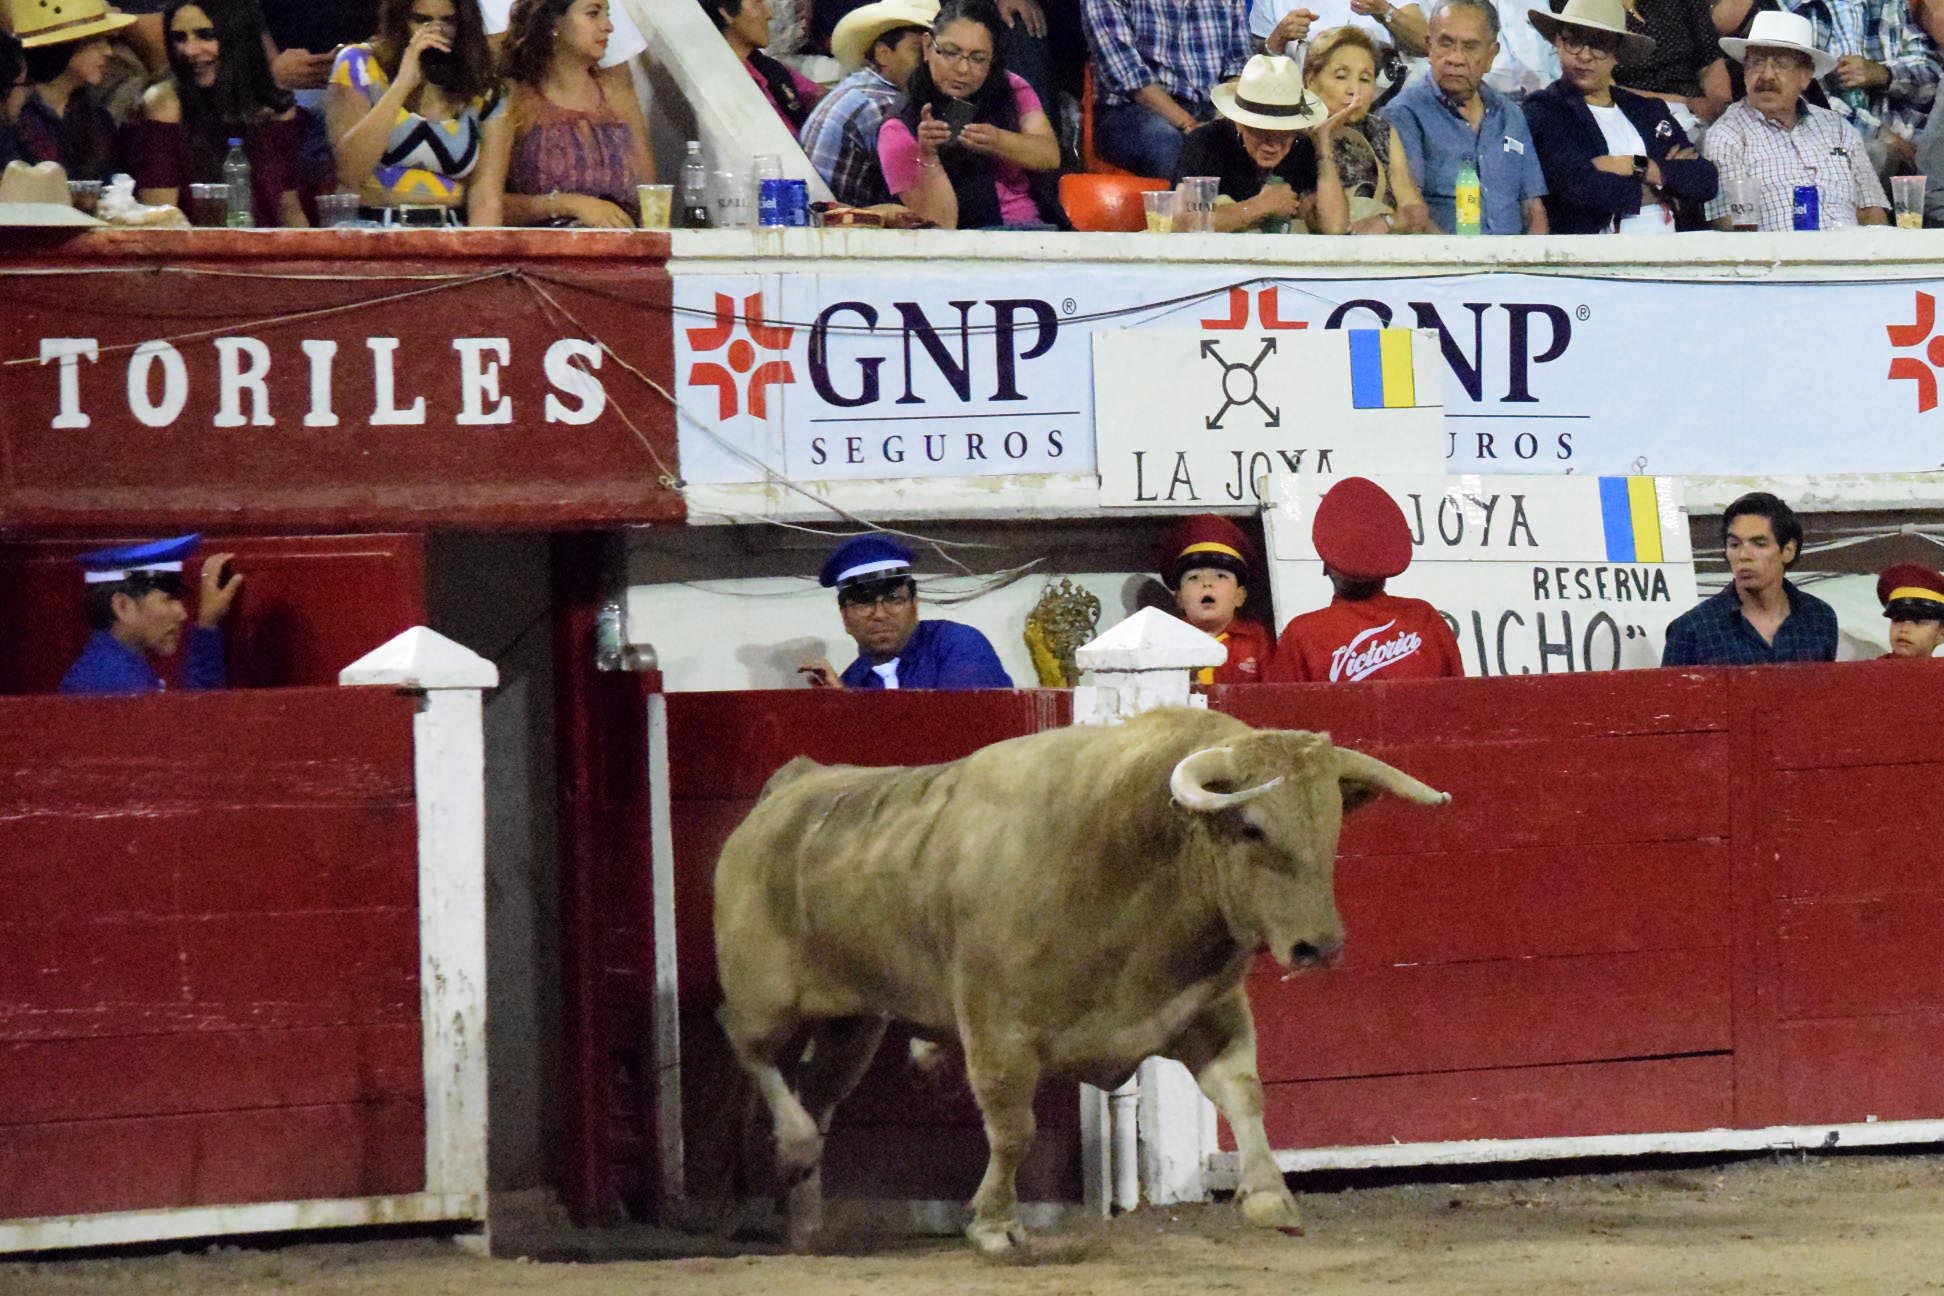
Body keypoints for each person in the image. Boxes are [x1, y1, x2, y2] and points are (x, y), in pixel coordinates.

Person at [1523, 0, 1717, 233]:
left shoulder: (1649, 110)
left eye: (1599, 44)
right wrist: (1663, 184)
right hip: (1593, 260)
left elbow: (1705, 179)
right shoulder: (1545, 109)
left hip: (1670, 257)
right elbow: (1578, 187)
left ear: (1617, 52)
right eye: (1574, 41)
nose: (1585, 56)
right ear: (1558, 42)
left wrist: (1636, 166)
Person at [879, 0, 1062, 229]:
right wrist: (929, 157)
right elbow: (940, 226)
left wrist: (998, 141)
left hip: (1036, 228)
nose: (963, 69)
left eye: (978, 58)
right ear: (927, 47)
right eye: (951, 53)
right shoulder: (899, 126)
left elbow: (1050, 156)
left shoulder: (1011, 87)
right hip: (966, 239)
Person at [128, 0, 310, 228]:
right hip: (192, 254)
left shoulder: (273, 106)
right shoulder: (165, 102)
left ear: (238, 37)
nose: (189, 50)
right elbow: (160, 221)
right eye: (179, 38)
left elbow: (290, 211)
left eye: (206, 35)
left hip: (264, 251)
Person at [472, 0, 654, 228]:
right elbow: (485, 201)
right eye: (593, 14)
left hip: (623, 252)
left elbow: (651, 198)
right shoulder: (514, 99)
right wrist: (570, 205)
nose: (608, 27)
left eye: (608, 14)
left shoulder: (618, 98)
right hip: (541, 252)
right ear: (553, 23)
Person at [1266, 477, 1466, 683]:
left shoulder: (1303, 633)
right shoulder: (1423, 618)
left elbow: (1280, 712)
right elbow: (1460, 703)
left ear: (1326, 566)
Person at [1702, 9, 1889, 229]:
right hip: (1779, 259)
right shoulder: (1727, 135)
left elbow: (1871, 211)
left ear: (1805, 75)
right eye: (1757, 63)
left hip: (1851, 255)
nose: (1767, 75)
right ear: (1744, 71)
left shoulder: (1837, 127)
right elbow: (1730, 226)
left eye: (1780, 64)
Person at [326, 0, 507, 226]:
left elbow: (486, 197)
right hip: (369, 226)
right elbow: (350, 172)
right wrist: (402, 85)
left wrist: (479, 255)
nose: (435, 31)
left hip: (448, 232)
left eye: (448, 20)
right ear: (400, 20)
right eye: (421, 20)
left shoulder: (483, 87)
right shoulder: (359, 64)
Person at [1717, 0, 1937, 173]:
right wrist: (1878, 132)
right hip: (1841, 139)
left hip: (1920, 135)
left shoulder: (1890, 4)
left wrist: (1885, 74)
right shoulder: (1787, 9)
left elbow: (1933, 75)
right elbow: (1797, 93)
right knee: (1874, 155)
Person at [1387, 0, 1550, 232]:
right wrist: (1466, 262)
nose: (1456, 58)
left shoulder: (1512, 115)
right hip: (1445, 263)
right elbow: (1412, 213)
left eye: (1470, 46)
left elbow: (1534, 209)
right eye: (1446, 43)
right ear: (1429, 47)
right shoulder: (1404, 113)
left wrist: (1530, 264)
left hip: (1516, 264)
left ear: (1491, 55)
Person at [799, 535, 1014, 689]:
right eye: (864, 603)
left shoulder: (957, 645)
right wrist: (838, 708)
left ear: (915, 604)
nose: (880, 614)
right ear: (845, 617)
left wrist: (849, 712)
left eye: (893, 599)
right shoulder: (852, 682)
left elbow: (957, 731)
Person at [1174, 52, 1350, 231]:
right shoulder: (1206, 142)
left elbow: (1335, 227)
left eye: (1283, 132)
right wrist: (1260, 206)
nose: (1272, 144)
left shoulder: (1302, 148)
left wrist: (1323, 142)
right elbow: (1179, 222)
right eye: (1261, 131)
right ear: (1239, 123)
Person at [1661, 491, 1837, 666]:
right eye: (1734, 545)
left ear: (1787, 551)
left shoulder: (1819, 617)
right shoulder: (1692, 629)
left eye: (1759, 544)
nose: (1744, 555)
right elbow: (1672, 693)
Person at [1082, 0, 1253, 179]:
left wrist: (1225, 120)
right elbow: (1128, 74)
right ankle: (1194, 206)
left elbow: (1239, 63)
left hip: (1215, 107)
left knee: (1260, 142)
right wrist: (1191, 126)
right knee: (1170, 147)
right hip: (1133, 111)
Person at [59, 535, 241, 695]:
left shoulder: (111, 669)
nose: (182, 614)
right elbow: (192, 727)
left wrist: (207, 624)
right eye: (168, 599)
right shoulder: (114, 684)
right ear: (123, 606)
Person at [800, 0, 937, 206]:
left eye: (933, 51)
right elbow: (918, 197)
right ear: (883, 54)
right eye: (918, 50)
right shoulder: (883, 105)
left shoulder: (859, 88)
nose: (928, 60)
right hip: (849, 229)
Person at [1304, 25, 1436, 231]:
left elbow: (1414, 209)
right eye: (1341, 76)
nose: (1354, 90)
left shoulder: (1380, 130)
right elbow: (1328, 228)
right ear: (1311, 80)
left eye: (1365, 79)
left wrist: (1387, 222)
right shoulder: (1294, 132)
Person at [9, 0, 134, 181]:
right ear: (64, 46)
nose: (108, 51)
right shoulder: (15, 114)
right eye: (96, 40)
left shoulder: (97, 117)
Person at [1163, 515, 1276, 684]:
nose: (1207, 584)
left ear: (1240, 596)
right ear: (1179, 598)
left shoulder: (1257, 640)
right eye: (1194, 578)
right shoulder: (1166, 641)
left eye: (1220, 576)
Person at [704, 0, 825, 131]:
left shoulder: (770, 69)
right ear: (726, 13)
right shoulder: (719, 85)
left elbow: (820, 98)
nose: (769, 15)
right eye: (757, 4)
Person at [1876, 562, 1944, 658]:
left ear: (1941, 634)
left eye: (1918, 621)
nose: (1904, 629)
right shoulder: (1862, 672)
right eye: (1898, 619)